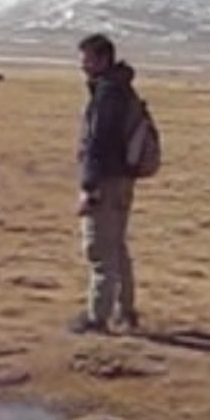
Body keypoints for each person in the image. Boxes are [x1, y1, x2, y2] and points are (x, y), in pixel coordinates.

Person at [70, 33, 139, 335]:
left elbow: (98, 146)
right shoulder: (122, 88)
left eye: (87, 59)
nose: (82, 65)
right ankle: (125, 310)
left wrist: (89, 188)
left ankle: (98, 317)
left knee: (99, 249)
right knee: (117, 246)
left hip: (107, 182)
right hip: (123, 180)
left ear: (102, 60)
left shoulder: (107, 94)